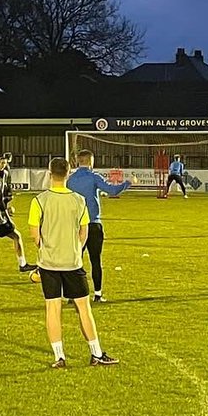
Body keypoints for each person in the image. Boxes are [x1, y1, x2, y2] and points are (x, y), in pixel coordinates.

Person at [29, 158, 118, 368]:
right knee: (83, 308)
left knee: (53, 308)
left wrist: (45, 248)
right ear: (68, 174)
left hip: (49, 263)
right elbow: (84, 232)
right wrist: (75, 249)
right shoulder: (79, 200)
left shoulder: (39, 200)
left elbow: (34, 234)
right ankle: (96, 353)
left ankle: (59, 357)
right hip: (72, 263)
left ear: (50, 174)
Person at [66, 150, 131, 303]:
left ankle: (72, 295)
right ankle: (98, 294)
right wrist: (128, 183)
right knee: (95, 260)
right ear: (91, 161)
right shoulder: (94, 177)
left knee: (75, 260)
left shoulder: (70, 180)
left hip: (76, 226)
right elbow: (113, 190)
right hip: (93, 224)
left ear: (78, 161)